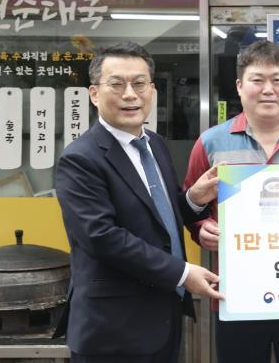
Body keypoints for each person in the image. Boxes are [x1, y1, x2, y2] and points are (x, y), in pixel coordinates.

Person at [54, 42, 224, 363]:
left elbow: (156, 220)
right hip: (112, 330)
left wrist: (193, 199)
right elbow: (102, 237)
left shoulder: (154, 144)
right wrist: (182, 273)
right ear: (94, 94)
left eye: (139, 83)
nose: (130, 94)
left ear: (152, 90)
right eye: (117, 84)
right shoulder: (80, 159)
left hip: (163, 318)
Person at [183, 40, 279, 363]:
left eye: (277, 80)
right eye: (257, 80)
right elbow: (189, 206)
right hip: (237, 294)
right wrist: (201, 229)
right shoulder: (210, 143)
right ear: (240, 86)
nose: (268, 89)